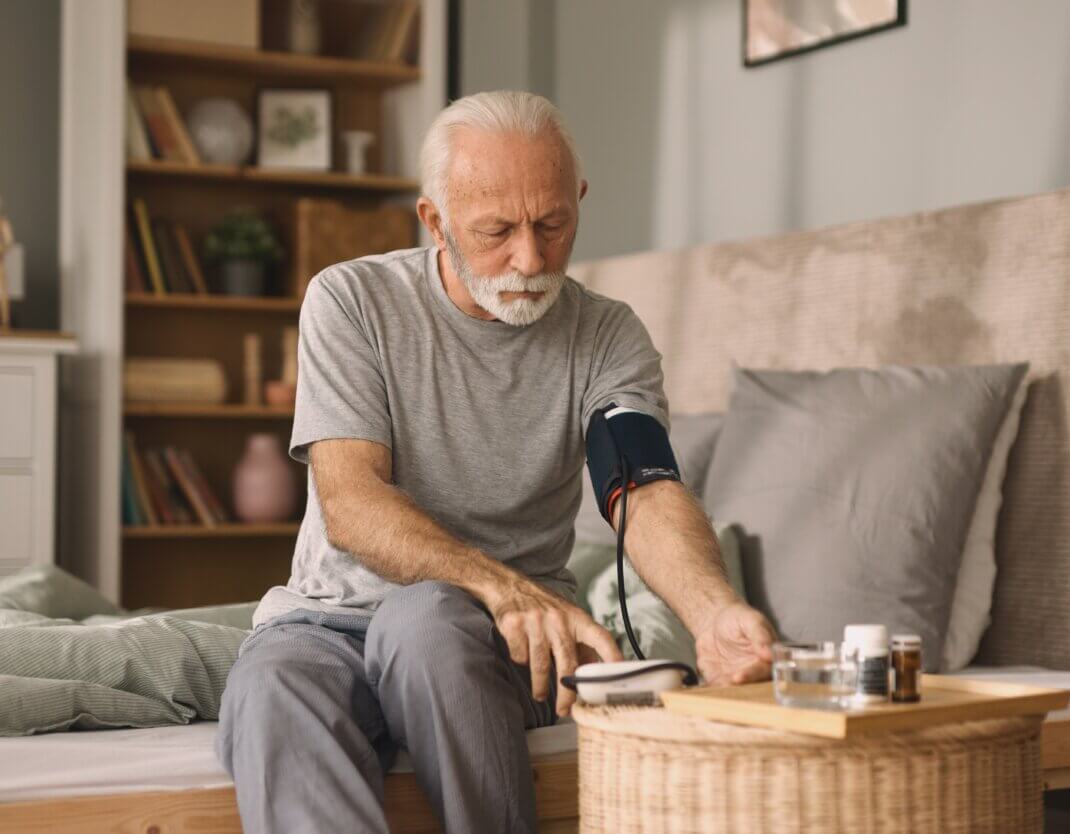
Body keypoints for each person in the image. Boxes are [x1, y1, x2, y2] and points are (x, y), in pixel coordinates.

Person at [216, 90, 776, 834]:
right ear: (434, 219)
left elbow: (641, 489)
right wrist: (504, 587)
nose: (530, 259)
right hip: (330, 623)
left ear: (577, 198)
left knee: (425, 622)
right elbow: (351, 502)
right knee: (271, 684)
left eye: (553, 224)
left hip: (502, 645)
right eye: (495, 231)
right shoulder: (351, 301)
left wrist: (711, 613)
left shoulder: (606, 336)